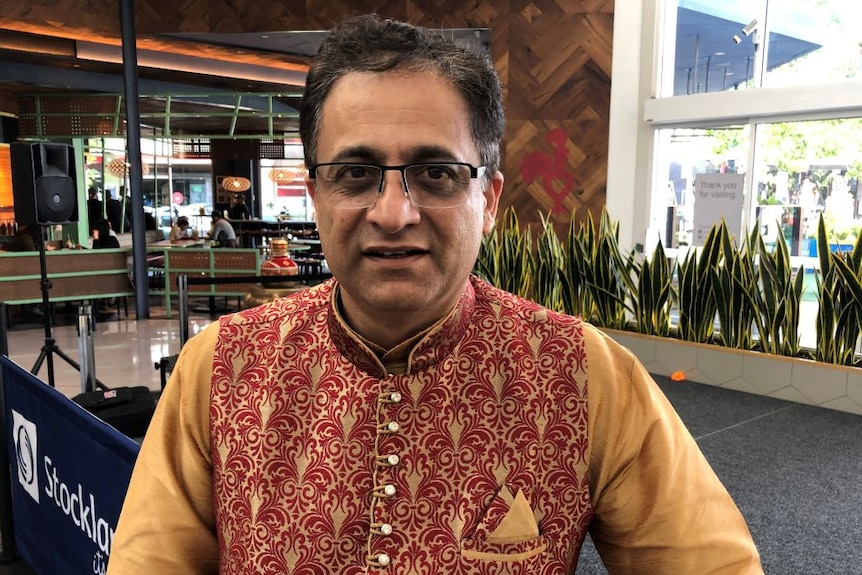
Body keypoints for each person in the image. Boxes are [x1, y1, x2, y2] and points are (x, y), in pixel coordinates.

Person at [108, 14, 763, 574]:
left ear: (489, 200)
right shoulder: (220, 369)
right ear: (315, 197)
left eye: (437, 172)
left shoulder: (585, 377)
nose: (393, 212)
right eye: (356, 173)